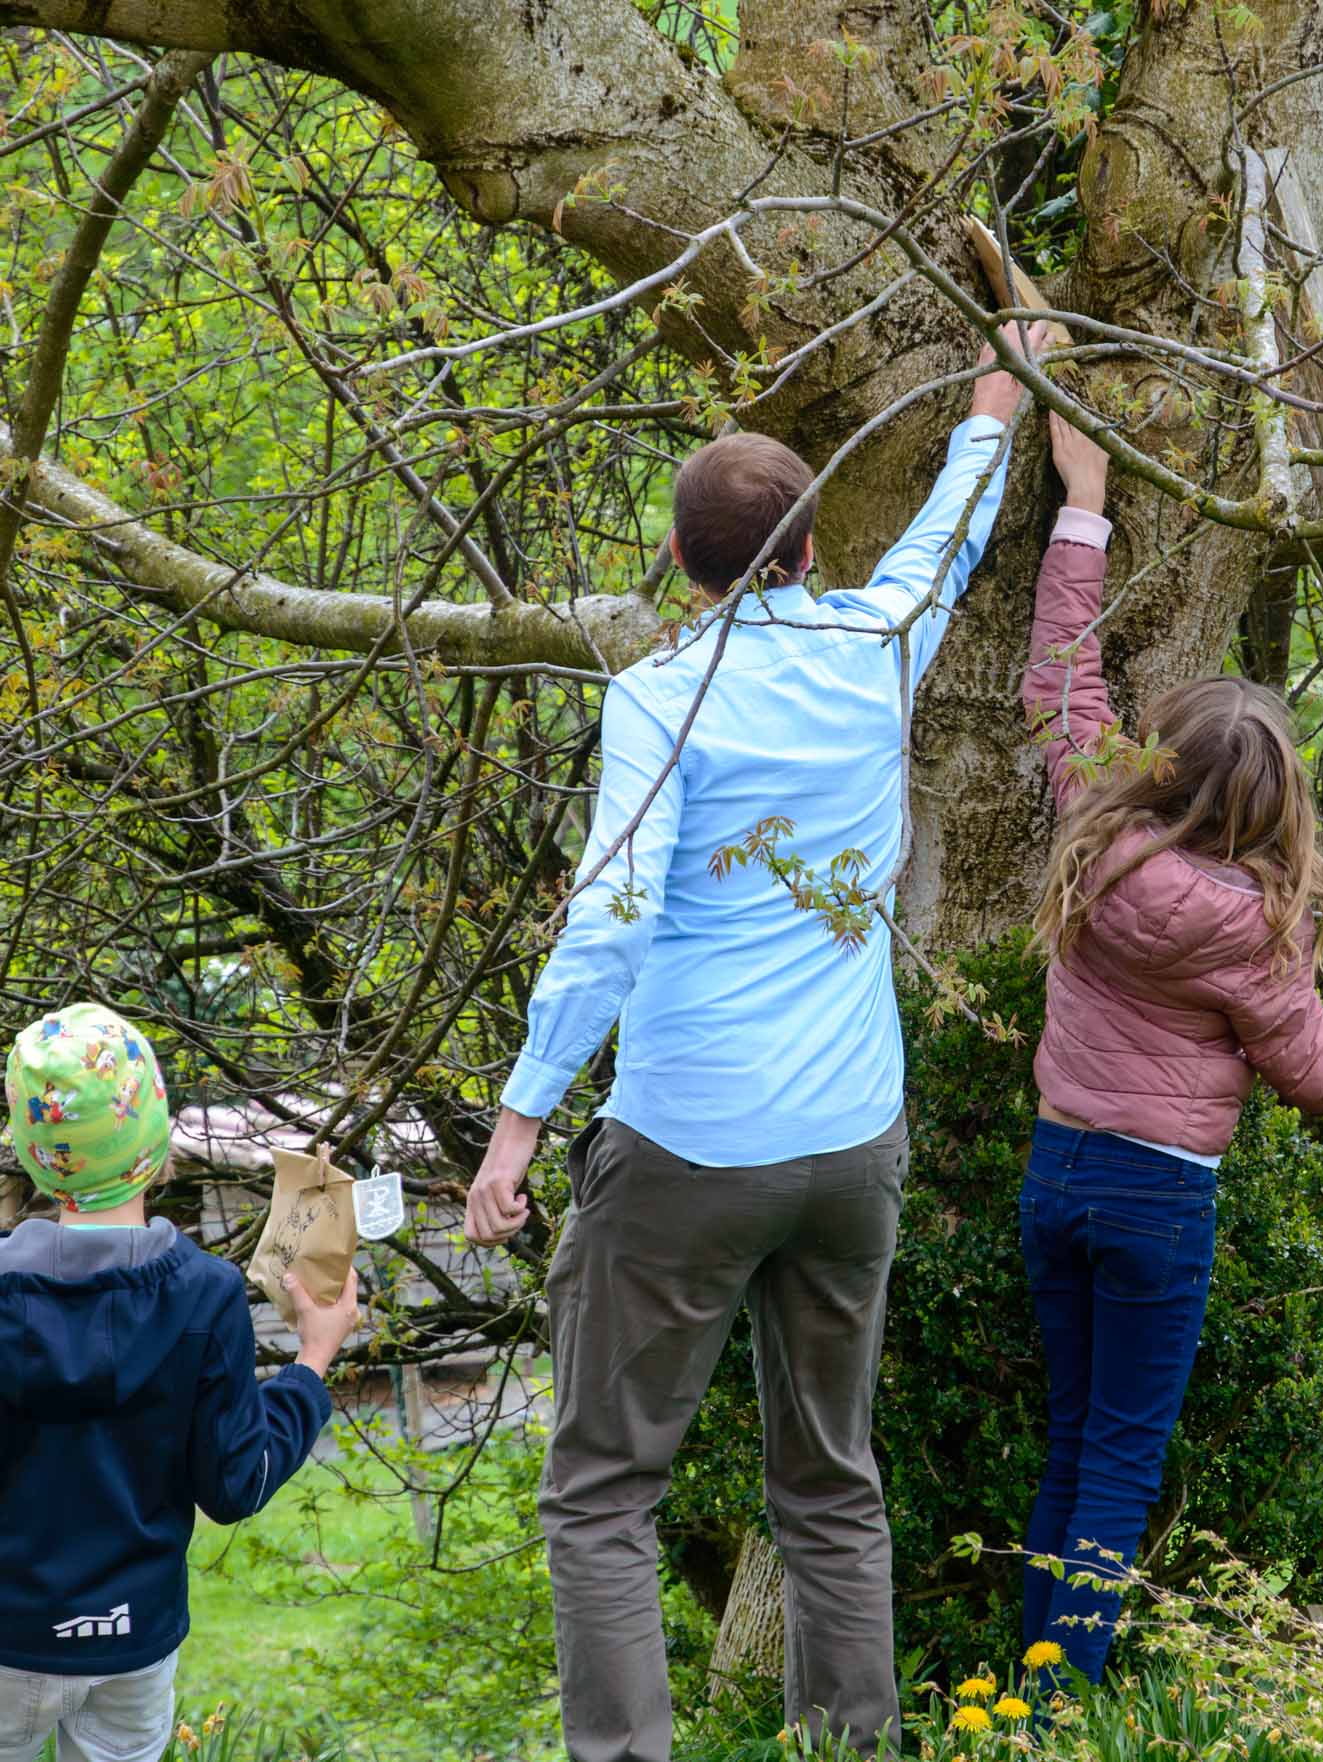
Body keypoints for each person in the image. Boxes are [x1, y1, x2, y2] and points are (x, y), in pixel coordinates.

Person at [463, 335, 1038, 1762]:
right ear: (806, 546)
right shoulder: (874, 642)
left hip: (690, 1143)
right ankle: (850, 1747)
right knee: (832, 1483)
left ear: (684, 563)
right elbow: (943, 543)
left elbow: (606, 921)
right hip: (850, 1139)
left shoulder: (660, 696)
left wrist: (522, 1122)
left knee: (602, 1489)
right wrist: (995, 403)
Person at [1015, 414, 1323, 1683]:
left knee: (1073, 1440)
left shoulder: (1093, 821)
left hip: (1054, 1172)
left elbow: (1062, 671)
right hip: (1154, 1197)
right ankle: (1058, 1710)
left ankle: (1013, 1704)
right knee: (1118, 1462)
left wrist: (1086, 498)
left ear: (1161, 762)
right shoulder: (1249, 930)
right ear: (1269, 800)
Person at [0, 1002, 359, 1762]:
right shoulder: (206, 1294)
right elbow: (236, 1484)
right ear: (156, 1137)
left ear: (33, 1155)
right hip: (134, 1642)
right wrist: (313, 1361)